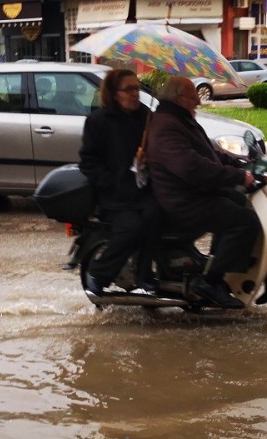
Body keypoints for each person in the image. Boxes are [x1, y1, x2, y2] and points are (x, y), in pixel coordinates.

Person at [145, 76, 260, 309]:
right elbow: (191, 167)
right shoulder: (167, 126)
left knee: (238, 200)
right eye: (193, 97)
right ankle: (209, 283)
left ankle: (219, 266)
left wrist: (241, 164)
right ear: (179, 99)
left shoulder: (181, 119)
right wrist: (237, 177)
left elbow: (209, 153)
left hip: (193, 192)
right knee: (245, 222)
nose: (198, 101)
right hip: (183, 200)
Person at [78, 69, 160, 296]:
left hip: (142, 189)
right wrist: (112, 181)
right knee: (132, 228)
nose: (135, 94)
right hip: (114, 196)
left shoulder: (146, 116)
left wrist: (147, 158)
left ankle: (145, 274)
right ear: (115, 94)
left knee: (157, 215)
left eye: (137, 88)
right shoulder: (98, 122)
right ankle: (100, 274)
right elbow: (88, 162)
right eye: (129, 89)